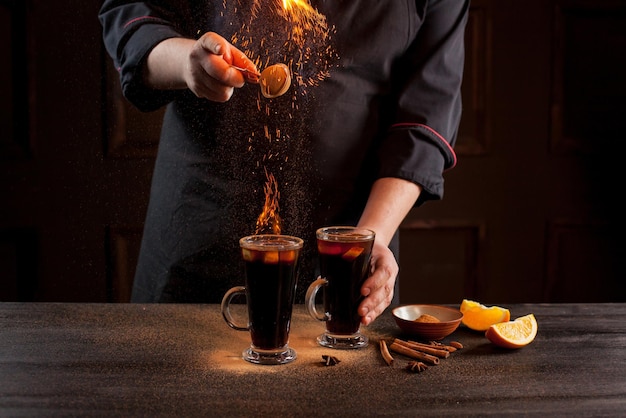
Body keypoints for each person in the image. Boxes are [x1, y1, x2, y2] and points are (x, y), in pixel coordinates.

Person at [98, 0, 468, 326]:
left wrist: (365, 242)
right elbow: (133, 15)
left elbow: (424, 117)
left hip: (350, 247)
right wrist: (186, 62)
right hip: (201, 227)